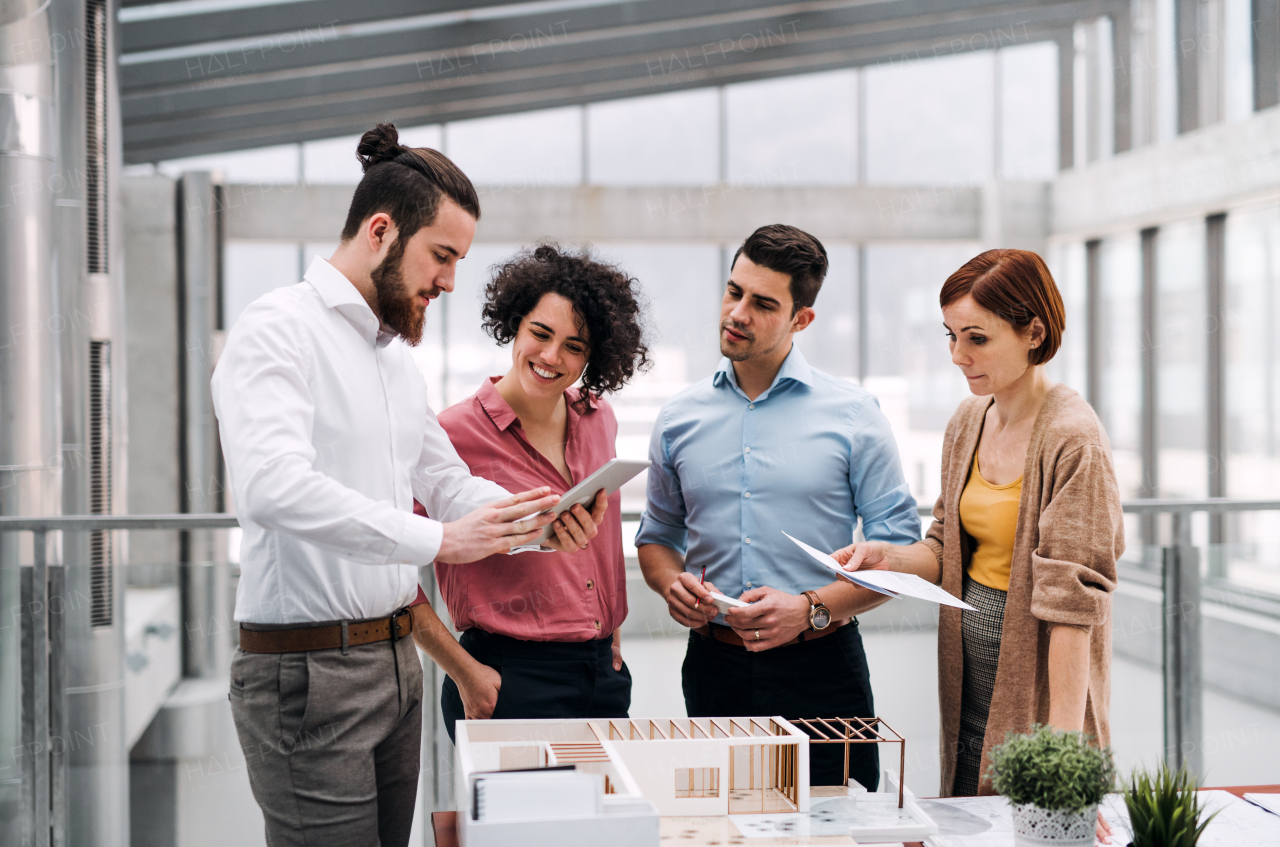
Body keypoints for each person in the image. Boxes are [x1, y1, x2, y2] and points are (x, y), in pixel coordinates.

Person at [211, 124, 600, 847]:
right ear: (381, 231)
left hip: (396, 662)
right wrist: (440, 541)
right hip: (304, 670)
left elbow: (449, 483)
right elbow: (272, 486)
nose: (451, 280)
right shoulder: (277, 329)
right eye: (442, 255)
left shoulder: (393, 360)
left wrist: (539, 521)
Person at [832, 249, 1123, 812]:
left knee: (1035, 818)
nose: (957, 356)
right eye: (950, 336)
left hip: (1036, 672)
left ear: (1033, 331)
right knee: (973, 806)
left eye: (977, 339)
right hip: (968, 669)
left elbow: (1072, 608)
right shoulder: (970, 418)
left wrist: (1065, 762)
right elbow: (945, 546)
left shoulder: (1073, 439)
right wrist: (885, 558)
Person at [636, 224, 921, 790]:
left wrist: (811, 607)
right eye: (733, 291)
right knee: (723, 830)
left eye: (763, 303)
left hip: (824, 669)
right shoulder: (677, 418)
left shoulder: (855, 416)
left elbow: (904, 555)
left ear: (801, 319)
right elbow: (657, 536)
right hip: (713, 667)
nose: (737, 312)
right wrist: (670, 583)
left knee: (840, 833)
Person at [422, 244, 649, 739]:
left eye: (574, 346)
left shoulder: (597, 417)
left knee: (610, 815)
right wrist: (464, 671)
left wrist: (607, 634)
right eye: (540, 334)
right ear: (515, 326)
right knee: (518, 818)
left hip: (602, 675)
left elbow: (603, 545)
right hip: (507, 678)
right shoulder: (451, 433)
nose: (551, 357)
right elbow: (391, 570)